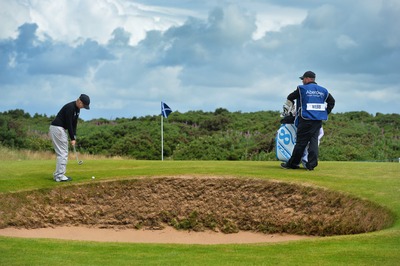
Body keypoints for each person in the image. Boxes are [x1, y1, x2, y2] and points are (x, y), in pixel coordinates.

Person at [281, 71, 335, 170]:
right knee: (313, 142)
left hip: (305, 119)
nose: (302, 81)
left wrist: (290, 107)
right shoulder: (323, 90)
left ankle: (293, 164)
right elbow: (332, 101)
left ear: (307, 78)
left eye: (303, 79)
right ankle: (311, 165)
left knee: (301, 143)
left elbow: (290, 97)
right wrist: (325, 112)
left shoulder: (302, 89)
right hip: (317, 120)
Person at [49, 94, 90, 182]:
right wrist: (72, 138)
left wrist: (74, 137)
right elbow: (69, 124)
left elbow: (74, 124)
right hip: (58, 128)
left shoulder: (77, 109)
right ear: (79, 101)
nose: (83, 107)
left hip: (59, 129)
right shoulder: (70, 107)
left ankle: (58, 175)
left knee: (62, 152)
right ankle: (59, 176)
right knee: (63, 153)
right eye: (83, 105)